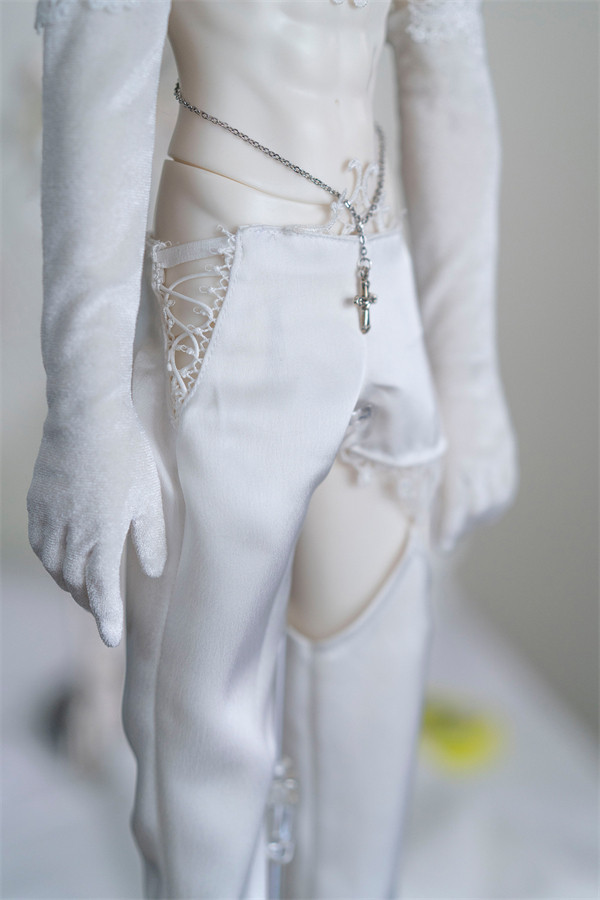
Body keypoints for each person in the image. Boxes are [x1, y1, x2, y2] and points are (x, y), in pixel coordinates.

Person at [27, 0, 518, 896]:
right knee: (202, 724)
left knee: (372, 669)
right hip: (226, 283)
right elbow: (100, 72)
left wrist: (469, 377)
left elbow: (449, 84)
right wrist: (85, 413)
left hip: (380, 282)